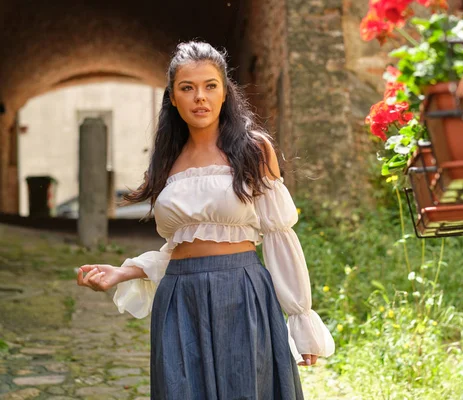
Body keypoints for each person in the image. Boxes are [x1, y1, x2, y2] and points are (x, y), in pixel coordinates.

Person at [76, 41, 335, 399]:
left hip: (242, 293)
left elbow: (279, 236)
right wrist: (125, 271)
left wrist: (300, 318)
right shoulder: (167, 161)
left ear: (225, 93)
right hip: (180, 298)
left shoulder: (254, 150)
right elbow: (178, 247)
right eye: (188, 88)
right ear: (173, 98)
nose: (200, 97)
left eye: (210, 86)